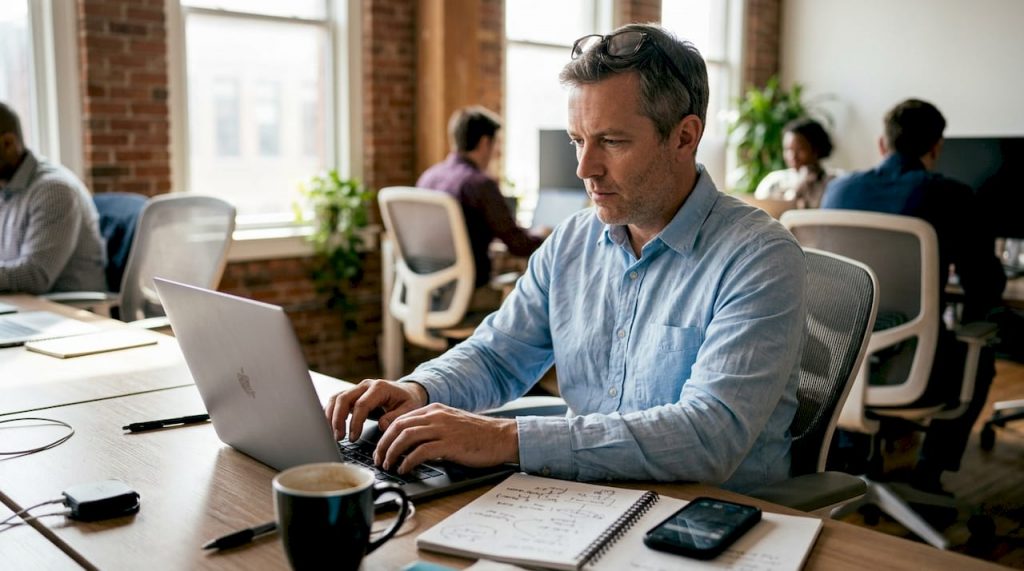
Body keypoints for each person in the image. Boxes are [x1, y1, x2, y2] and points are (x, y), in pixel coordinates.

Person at [327, 24, 807, 493]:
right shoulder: (573, 240)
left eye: (612, 142)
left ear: (684, 137)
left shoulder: (759, 256)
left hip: (718, 514)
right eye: (578, 141)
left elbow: (708, 436)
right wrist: (419, 391)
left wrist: (503, 438)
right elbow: (498, 356)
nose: (584, 168)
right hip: (587, 498)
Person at [822, 98, 1006, 493]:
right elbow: (986, 285)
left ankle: (848, 456)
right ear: (936, 148)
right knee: (980, 351)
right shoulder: (952, 195)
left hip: (835, 363)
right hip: (912, 367)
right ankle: (929, 473)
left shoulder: (837, 191)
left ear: (881, 144)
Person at [417, 106, 546, 291]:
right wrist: (546, 235)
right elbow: (518, 245)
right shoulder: (479, 184)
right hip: (469, 290)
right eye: (497, 144)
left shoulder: (428, 178)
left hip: (430, 288)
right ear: (485, 143)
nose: (498, 152)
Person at [0, 101, 105, 294]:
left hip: (69, 312)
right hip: (24, 307)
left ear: (7, 143)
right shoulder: (5, 188)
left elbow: (36, 275)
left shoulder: (54, 190)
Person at [754, 117, 838, 209]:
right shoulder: (774, 181)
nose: (792, 156)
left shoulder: (835, 182)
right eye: (788, 149)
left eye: (800, 150)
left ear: (816, 150)